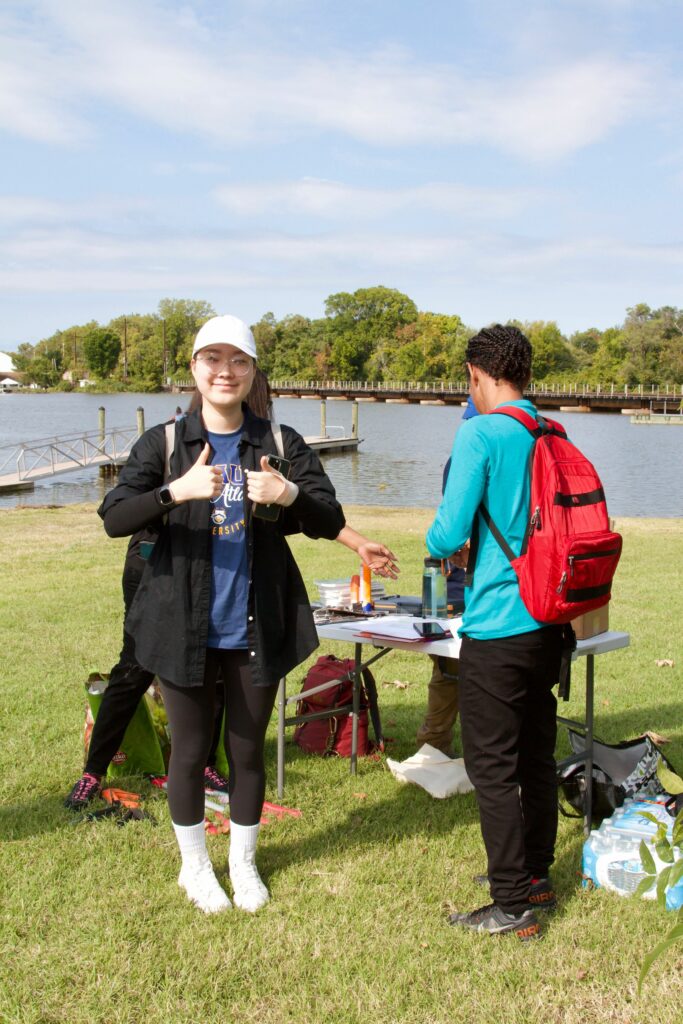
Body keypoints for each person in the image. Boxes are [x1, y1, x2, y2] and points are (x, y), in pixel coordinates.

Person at [98, 314, 345, 915]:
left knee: (247, 750)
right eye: (213, 359)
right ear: (195, 368)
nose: (225, 371)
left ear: (253, 371)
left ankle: (243, 863)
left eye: (238, 360)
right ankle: (195, 868)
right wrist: (175, 492)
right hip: (180, 624)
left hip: (255, 623)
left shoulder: (280, 443)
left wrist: (288, 495)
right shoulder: (163, 442)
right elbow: (113, 516)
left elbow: (328, 517)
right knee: (188, 750)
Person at [426, 324, 565, 941]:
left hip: (499, 624)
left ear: (476, 375)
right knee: (535, 753)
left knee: (489, 763)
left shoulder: (481, 432)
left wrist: (448, 548)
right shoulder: (551, 431)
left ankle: (512, 905)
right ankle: (533, 873)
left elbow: (445, 534)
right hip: (551, 622)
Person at [415, 397, 478, 756]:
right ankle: (433, 745)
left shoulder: (467, 456)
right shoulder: (463, 460)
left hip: (476, 589)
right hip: (457, 588)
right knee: (448, 671)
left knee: (454, 675)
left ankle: (438, 745)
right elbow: (453, 531)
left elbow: (447, 535)